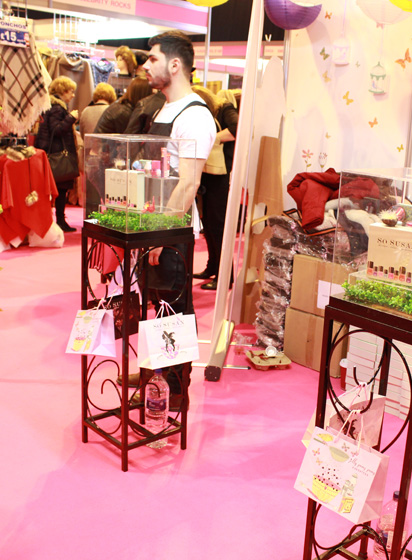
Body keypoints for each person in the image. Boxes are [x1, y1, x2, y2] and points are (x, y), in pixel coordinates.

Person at [140, 30, 216, 407]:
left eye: (152, 58)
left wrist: (159, 236)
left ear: (174, 64)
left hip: (172, 230)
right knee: (158, 308)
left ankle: (175, 389)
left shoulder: (195, 116)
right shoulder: (163, 108)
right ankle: (155, 378)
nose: (145, 65)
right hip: (151, 225)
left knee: (175, 310)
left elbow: (188, 184)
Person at [190, 85, 238, 290]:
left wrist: (214, 138)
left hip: (220, 176)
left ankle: (225, 275)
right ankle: (213, 267)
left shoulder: (224, 108)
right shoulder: (210, 113)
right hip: (209, 174)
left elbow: (238, 128)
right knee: (209, 224)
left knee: (217, 226)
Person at [35, 76, 79, 233]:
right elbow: (57, 129)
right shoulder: (57, 108)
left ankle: (55, 220)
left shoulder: (51, 106)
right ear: (63, 91)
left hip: (52, 153)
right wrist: (71, 118)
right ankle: (60, 220)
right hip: (57, 154)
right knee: (61, 189)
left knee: (57, 189)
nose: (73, 95)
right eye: (71, 91)